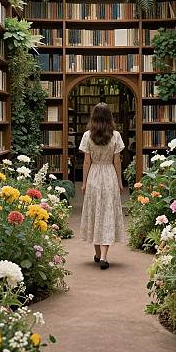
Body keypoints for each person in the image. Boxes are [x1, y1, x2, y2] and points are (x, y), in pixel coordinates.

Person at [79, 102, 125, 270]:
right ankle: (104, 256)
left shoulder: (87, 136)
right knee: (107, 213)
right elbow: (117, 161)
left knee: (94, 213)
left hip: (94, 176)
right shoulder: (116, 136)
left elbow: (86, 161)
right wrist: (120, 182)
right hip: (110, 175)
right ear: (109, 118)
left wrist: (84, 183)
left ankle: (97, 254)